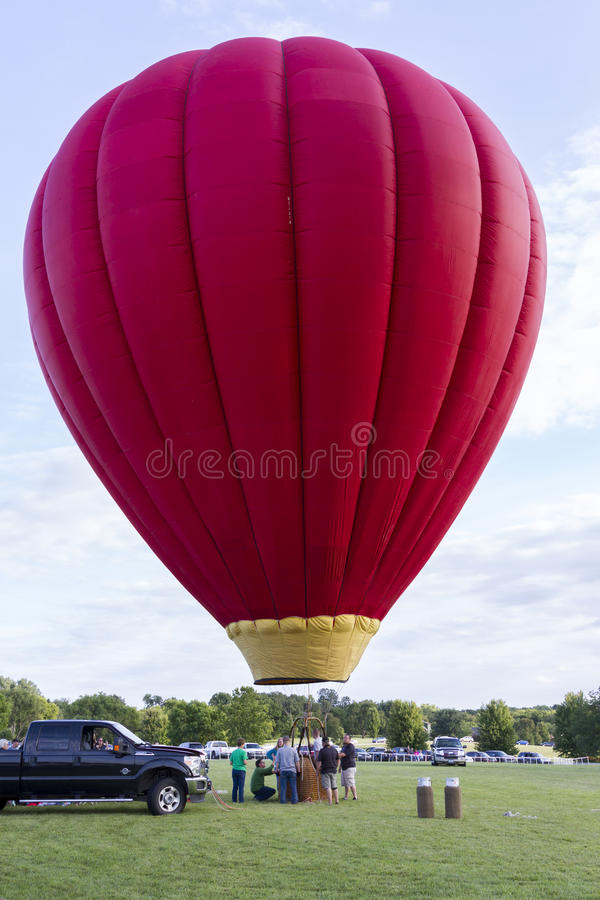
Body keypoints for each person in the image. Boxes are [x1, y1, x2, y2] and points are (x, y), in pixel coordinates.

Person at [274, 736, 300, 804]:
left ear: (283, 741)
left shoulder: (280, 750)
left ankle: (283, 801)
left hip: (283, 770)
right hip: (292, 770)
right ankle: (294, 801)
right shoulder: (293, 750)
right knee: (293, 787)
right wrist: (299, 771)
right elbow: (297, 762)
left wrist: (276, 770)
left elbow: (277, 762)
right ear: (289, 741)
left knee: (283, 787)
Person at [317, 737, 340, 805]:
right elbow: (338, 759)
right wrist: (336, 766)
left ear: (323, 743)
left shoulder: (322, 751)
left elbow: (319, 762)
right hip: (333, 770)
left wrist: (317, 770)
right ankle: (337, 800)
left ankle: (330, 802)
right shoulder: (334, 750)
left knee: (328, 787)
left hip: (325, 771)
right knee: (334, 786)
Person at [339, 733, 358, 800]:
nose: (344, 739)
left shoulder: (350, 746)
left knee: (351, 782)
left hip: (350, 767)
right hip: (344, 767)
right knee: (346, 784)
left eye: (346, 738)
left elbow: (343, 755)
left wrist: (333, 755)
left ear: (349, 739)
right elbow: (342, 758)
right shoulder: (344, 746)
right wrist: (340, 767)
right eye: (344, 738)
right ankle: (346, 796)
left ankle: (355, 796)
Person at [229, 738, 248, 803]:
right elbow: (245, 762)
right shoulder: (243, 752)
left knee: (235, 786)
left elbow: (230, 763)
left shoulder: (234, 752)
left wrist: (236, 764)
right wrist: (244, 763)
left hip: (234, 770)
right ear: (242, 744)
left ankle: (234, 800)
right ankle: (241, 800)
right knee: (241, 786)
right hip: (241, 770)